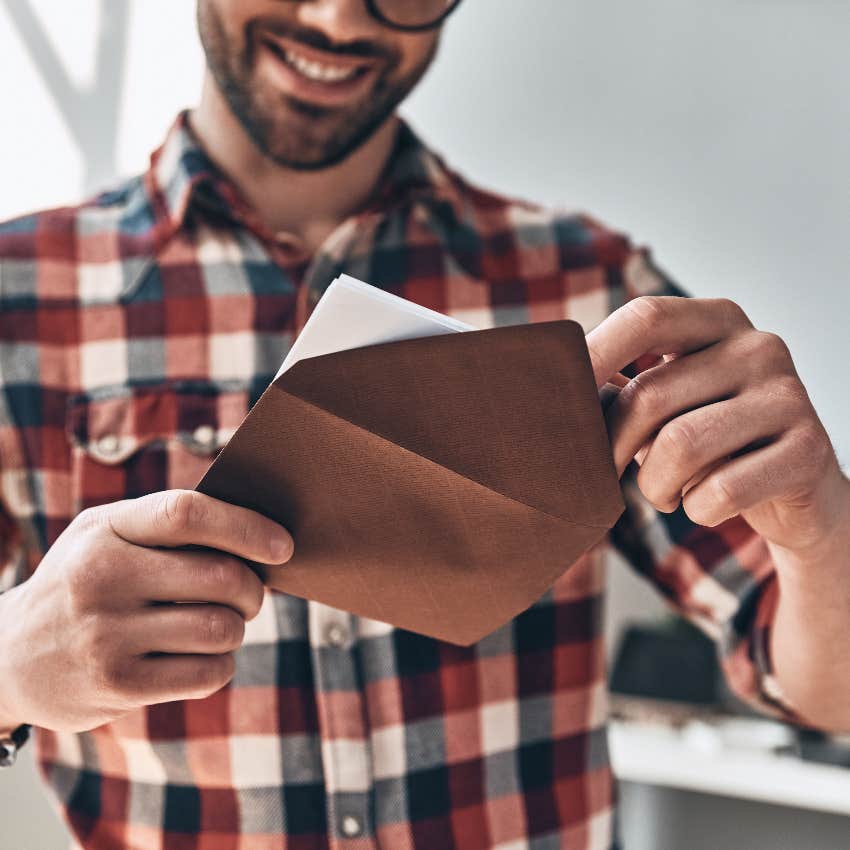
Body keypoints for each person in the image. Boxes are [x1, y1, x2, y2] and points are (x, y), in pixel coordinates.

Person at [0, 1, 848, 848]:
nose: (338, 19)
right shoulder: (21, 299)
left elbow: (827, 691)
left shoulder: (590, 288)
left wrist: (823, 530)